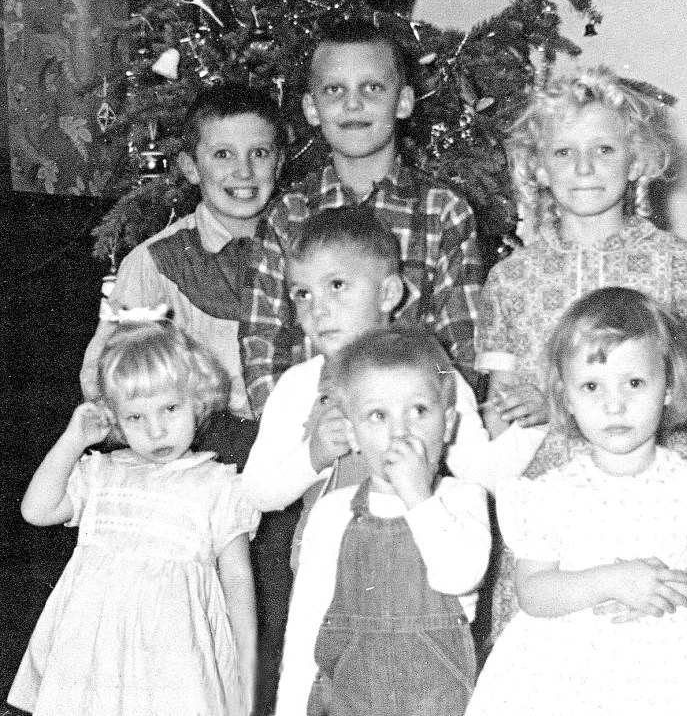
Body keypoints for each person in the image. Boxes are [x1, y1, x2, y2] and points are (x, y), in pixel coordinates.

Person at [477, 65, 687, 638]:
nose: (585, 167)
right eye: (564, 152)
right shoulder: (511, 279)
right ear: (538, 168)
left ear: (637, 160)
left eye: (603, 148)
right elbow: (501, 422)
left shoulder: (684, 266)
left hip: (661, 509)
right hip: (555, 534)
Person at [467, 287, 687, 716]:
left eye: (634, 382)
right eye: (591, 386)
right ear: (566, 398)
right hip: (568, 677)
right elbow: (533, 591)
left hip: (684, 674)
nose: (614, 403)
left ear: (668, 387)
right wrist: (612, 581)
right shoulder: (548, 494)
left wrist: (675, 588)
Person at [77, 82, 287, 713]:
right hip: (200, 459)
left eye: (259, 153)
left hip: (290, 452)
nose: (243, 172)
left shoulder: (304, 247)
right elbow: (112, 376)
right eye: (222, 156)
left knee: (281, 606)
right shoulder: (155, 263)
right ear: (192, 167)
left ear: (280, 159)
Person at [241, 207, 536, 566]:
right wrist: (313, 454)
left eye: (336, 285)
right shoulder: (298, 385)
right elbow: (257, 492)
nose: (318, 309)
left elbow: (484, 476)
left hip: (417, 572)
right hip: (324, 576)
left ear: (388, 293)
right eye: (302, 294)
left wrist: (533, 427)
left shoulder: (436, 376)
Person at [8, 320, 260, 716]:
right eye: (135, 418)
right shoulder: (102, 474)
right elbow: (36, 510)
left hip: (175, 661)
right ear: (114, 420)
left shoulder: (219, 484)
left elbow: (238, 580)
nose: (156, 430)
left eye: (170, 409)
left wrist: (245, 669)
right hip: (94, 662)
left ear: (198, 399)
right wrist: (74, 439)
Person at [240, 17, 483, 412]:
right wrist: (305, 430)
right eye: (335, 90)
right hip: (312, 435)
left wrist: (429, 416)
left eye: (371, 88)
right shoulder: (287, 215)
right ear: (312, 109)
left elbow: (461, 350)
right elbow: (262, 347)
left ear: (403, 102)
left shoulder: (443, 210)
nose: (353, 104)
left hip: (412, 431)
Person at [275, 327, 491, 716]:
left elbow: (460, 575)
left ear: (449, 424)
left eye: (419, 410)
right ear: (352, 434)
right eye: (378, 415)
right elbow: (306, 627)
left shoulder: (462, 499)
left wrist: (418, 498)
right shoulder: (332, 513)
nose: (400, 431)